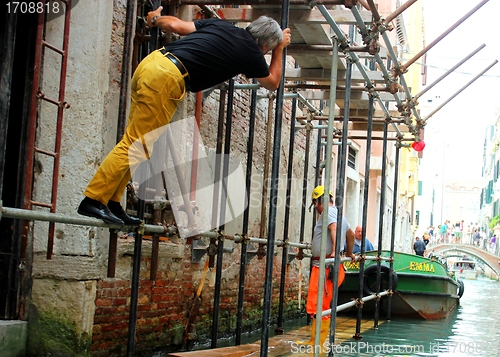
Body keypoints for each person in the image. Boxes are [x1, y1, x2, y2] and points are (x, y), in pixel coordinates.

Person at [77, 6, 291, 224]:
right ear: (264, 46)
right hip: (167, 78)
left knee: (139, 144)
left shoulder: (222, 25)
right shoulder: (252, 53)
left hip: (152, 64)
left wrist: (155, 19)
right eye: (268, 49)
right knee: (136, 144)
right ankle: (93, 200)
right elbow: (273, 82)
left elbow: (174, 25)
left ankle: (112, 200)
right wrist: (280, 48)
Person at [300, 186, 355, 347]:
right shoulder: (339, 214)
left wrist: (335, 252)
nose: (316, 208)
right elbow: (350, 235)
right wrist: (350, 253)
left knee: (319, 305)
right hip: (326, 267)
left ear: (319, 201)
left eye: (315, 204)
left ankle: (318, 345)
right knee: (319, 304)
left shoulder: (329, 212)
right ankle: (315, 341)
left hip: (325, 267)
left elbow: (334, 229)